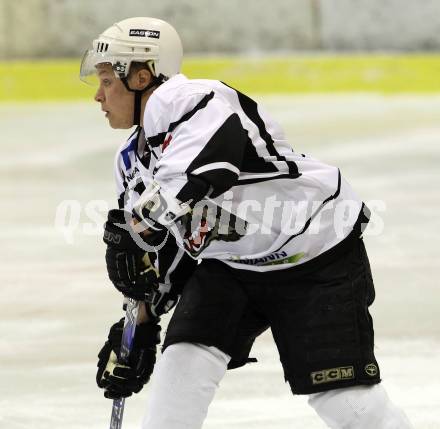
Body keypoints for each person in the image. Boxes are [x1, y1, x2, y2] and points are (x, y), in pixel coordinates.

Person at [80, 17, 414, 429]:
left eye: (106, 81)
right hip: (233, 268)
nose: (98, 95)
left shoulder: (189, 98)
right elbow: (161, 258)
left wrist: (139, 225)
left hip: (315, 255)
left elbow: (211, 166)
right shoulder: (131, 163)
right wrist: (139, 324)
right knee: (180, 372)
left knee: (347, 405)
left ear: (142, 75)